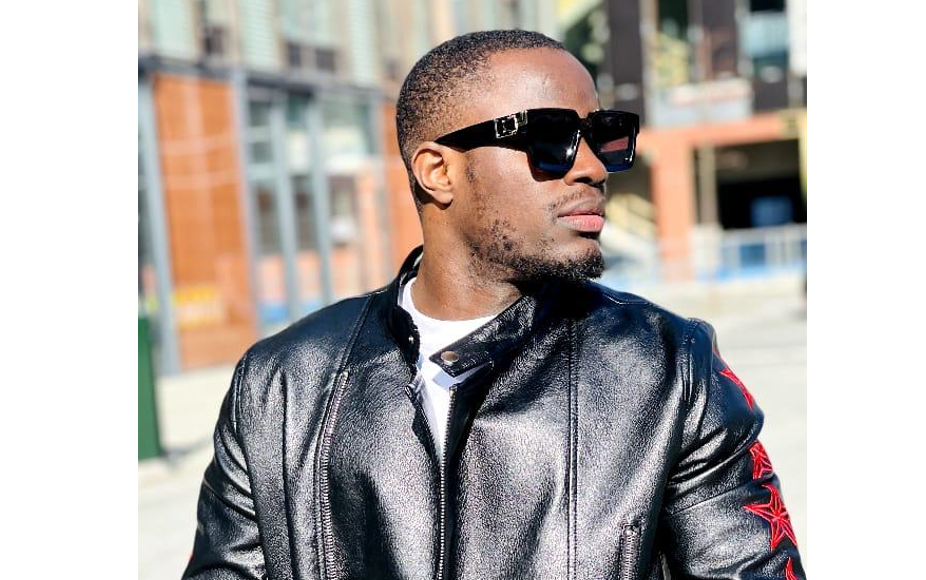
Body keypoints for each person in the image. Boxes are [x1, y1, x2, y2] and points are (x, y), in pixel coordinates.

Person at [183, 30, 805, 580]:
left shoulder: (670, 370)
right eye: (552, 138)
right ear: (438, 171)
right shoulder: (280, 386)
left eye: (602, 136)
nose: (593, 167)